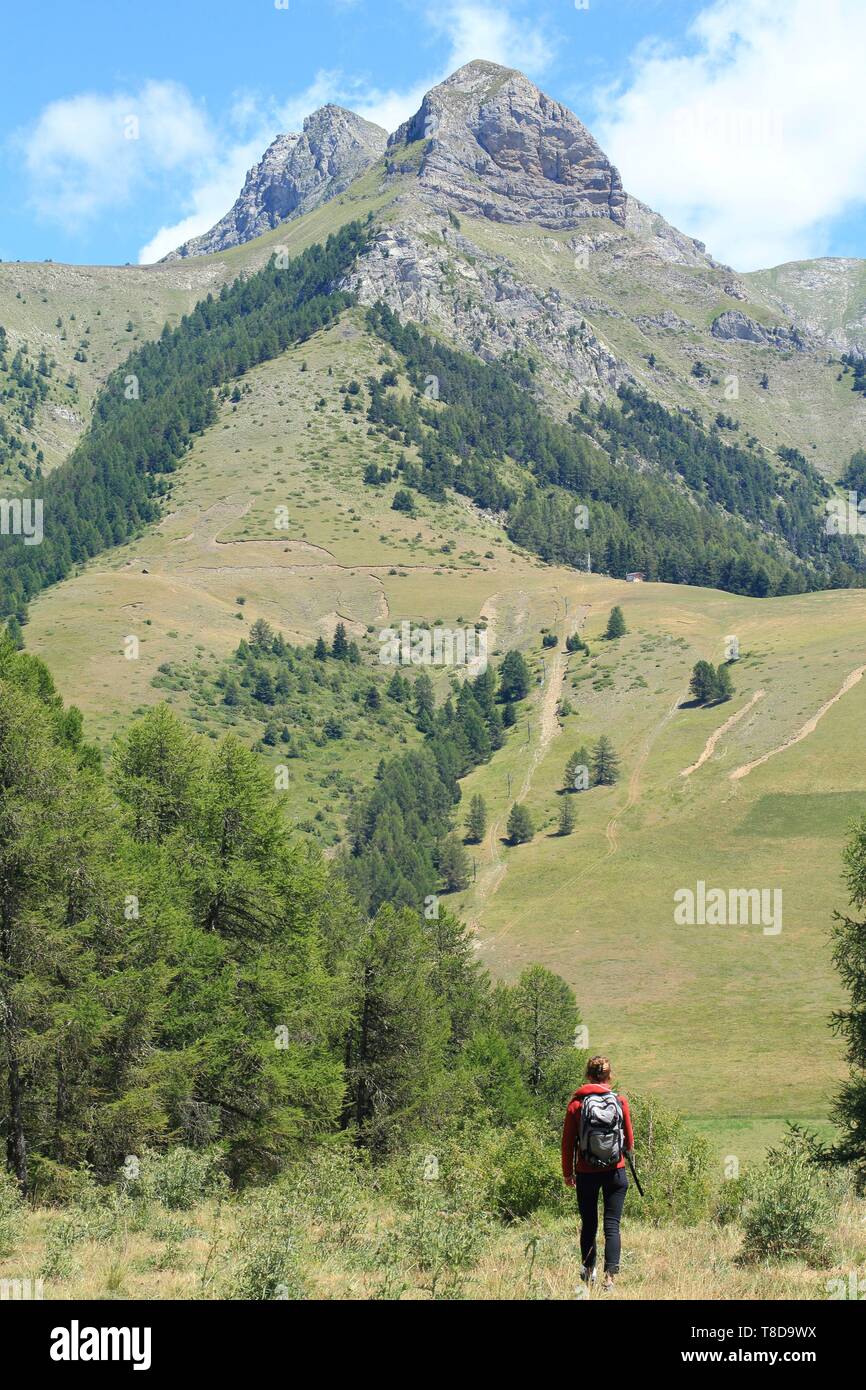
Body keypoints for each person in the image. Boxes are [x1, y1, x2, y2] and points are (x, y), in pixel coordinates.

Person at [561, 1055, 634, 1291]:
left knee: (589, 1223)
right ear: (608, 1076)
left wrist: (568, 1173)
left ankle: (589, 1271)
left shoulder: (576, 1104)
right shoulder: (619, 1102)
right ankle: (609, 1279)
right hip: (616, 1171)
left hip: (586, 1172)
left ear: (588, 1075)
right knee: (612, 1225)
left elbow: (567, 1143)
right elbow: (630, 1143)